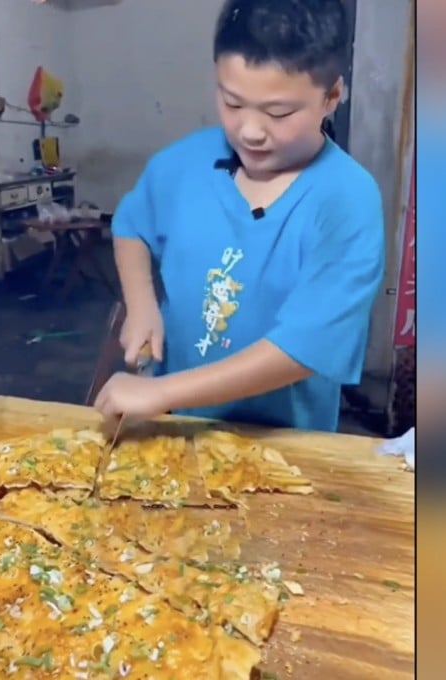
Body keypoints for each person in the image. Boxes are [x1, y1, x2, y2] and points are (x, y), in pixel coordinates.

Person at [95, 0, 385, 433]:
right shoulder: (185, 162)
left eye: (279, 113)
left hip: (284, 442)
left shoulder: (346, 199)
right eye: (232, 103)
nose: (250, 130)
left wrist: (161, 392)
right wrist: (141, 306)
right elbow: (132, 226)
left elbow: (305, 347)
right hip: (173, 429)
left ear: (332, 96)